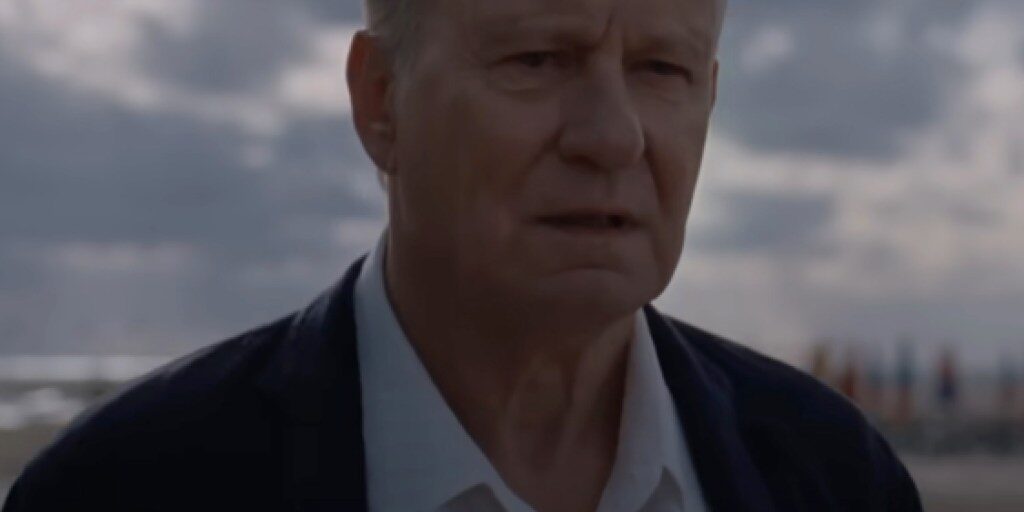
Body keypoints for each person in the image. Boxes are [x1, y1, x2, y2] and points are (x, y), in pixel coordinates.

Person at [3, 0, 923, 510]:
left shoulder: (840, 479)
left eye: (661, 70)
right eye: (537, 58)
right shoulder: (120, 494)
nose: (613, 136)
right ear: (380, 100)